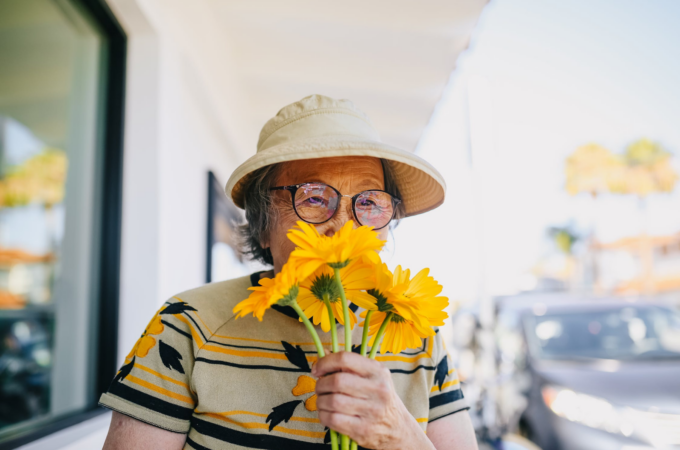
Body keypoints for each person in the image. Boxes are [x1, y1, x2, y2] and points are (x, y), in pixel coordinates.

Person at [101, 95, 478, 450]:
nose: (343, 228)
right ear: (263, 226)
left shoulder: (419, 334)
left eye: (368, 202)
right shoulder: (188, 323)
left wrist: (401, 437)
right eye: (314, 198)